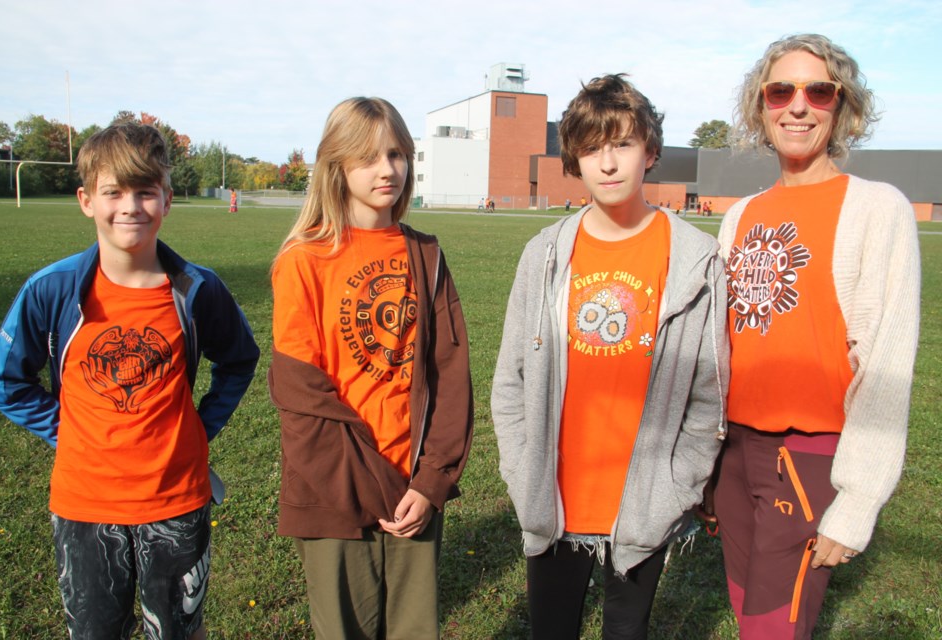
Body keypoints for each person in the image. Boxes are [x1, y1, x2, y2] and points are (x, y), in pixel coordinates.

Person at [0, 123, 260, 640]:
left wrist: (200, 428)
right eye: (113, 192)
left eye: (145, 191)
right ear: (87, 200)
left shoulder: (197, 289)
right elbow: (5, 380)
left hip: (177, 500)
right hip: (85, 506)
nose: (130, 206)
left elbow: (240, 359)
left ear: (167, 200)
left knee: (178, 630)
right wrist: (67, 431)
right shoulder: (53, 290)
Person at [492, 73, 729, 640]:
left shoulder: (695, 257)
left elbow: (708, 390)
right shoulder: (544, 253)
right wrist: (523, 469)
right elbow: (511, 380)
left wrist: (679, 483)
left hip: (643, 496)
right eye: (592, 148)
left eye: (621, 143)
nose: (608, 162)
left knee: (627, 631)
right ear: (574, 159)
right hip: (555, 493)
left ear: (649, 151)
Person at [712, 34, 921, 639]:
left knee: (773, 629)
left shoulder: (876, 208)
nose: (798, 106)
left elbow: (887, 361)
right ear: (761, 107)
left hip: (808, 456)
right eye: (781, 90)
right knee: (747, 608)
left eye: (818, 91)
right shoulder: (740, 215)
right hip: (733, 453)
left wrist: (857, 501)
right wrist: (704, 464)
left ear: (842, 106)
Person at [269, 97, 473, 639]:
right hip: (335, 487)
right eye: (367, 158)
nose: (386, 170)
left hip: (413, 490)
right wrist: (380, 485)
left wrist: (430, 484)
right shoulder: (303, 259)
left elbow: (451, 377)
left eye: (397, 154)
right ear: (336, 167)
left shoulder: (425, 254)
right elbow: (301, 393)